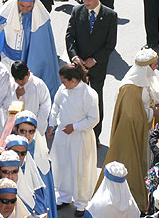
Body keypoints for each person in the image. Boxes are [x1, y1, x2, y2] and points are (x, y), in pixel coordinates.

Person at [97, 48, 159, 211]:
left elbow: (149, 96)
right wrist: (152, 113)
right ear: (146, 67)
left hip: (144, 130)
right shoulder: (130, 88)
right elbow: (132, 116)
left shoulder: (142, 80)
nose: (156, 67)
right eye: (155, 65)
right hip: (133, 133)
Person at [0, 0, 60, 98]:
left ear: (34, 3)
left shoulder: (41, 18)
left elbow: (42, 44)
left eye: (29, 7)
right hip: (7, 58)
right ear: (17, 1)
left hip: (27, 59)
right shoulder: (9, 11)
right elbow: (0, 25)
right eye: (22, 5)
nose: (25, 9)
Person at [65, 0, 117, 139]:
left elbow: (110, 45)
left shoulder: (110, 16)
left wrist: (94, 60)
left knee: (96, 100)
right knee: (77, 98)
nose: (86, 2)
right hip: (79, 67)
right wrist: (75, 57)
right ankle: (78, 129)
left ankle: (95, 135)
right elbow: (69, 37)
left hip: (97, 67)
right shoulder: (77, 11)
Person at [47, 63, 99, 216]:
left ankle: (81, 203)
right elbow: (56, 106)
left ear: (74, 80)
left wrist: (75, 127)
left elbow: (93, 119)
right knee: (63, 166)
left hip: (80, 137)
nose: (62, 84)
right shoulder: (63, 89)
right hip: (63, 135)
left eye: (64, 81)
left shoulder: (89, 94)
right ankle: (64, 196)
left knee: (79, 169)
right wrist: (51, 123)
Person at [14, 110, 57, 218]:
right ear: (16, 129)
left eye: (31, 132)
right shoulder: (10, 147)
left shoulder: (41, 154)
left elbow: (46, 191)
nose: (27, 135)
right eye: (23, 131)